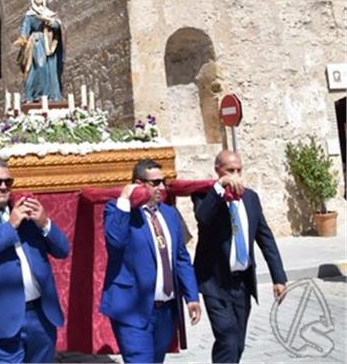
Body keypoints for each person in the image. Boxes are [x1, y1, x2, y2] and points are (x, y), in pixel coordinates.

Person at [0, 158, 70, 364]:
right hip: (3, 316)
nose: (3, 187)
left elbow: (63, 250)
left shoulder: (27, 211)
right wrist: (10, 226)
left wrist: (45, 223)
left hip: (41, 314)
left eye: (8, 182)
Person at [100, 158, 201, 364]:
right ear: (139, 184)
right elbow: (115, 241)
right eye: (155, 183)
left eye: (163, 182)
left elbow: (181, 258)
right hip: (132, 309)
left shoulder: (169, 214)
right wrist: (125, 200)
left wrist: (192, 297)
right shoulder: (118, 210)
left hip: (165, 311)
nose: (162, 188)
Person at [192, 150, 287, 363]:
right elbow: (203, 218)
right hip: (215, 282)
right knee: (227, 338)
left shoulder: (250, 198)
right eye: (230, 170)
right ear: (218, 171)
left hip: (242, 283)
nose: (235, 175)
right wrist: (220, 187)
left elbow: (266, 238)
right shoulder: (204, 196)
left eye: (238, 170)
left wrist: (278, 277)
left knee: (238, 343)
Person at [17, 0, 64, 102]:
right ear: (33, 0)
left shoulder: (49, 13)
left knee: (50, 68)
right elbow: (25, 29)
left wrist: (51, 21)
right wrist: (23, 40)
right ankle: (38, 94)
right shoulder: (30, 15)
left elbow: (57, 27)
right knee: (40, 65)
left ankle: (51, 95)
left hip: (49, 42)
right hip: (36, 42)